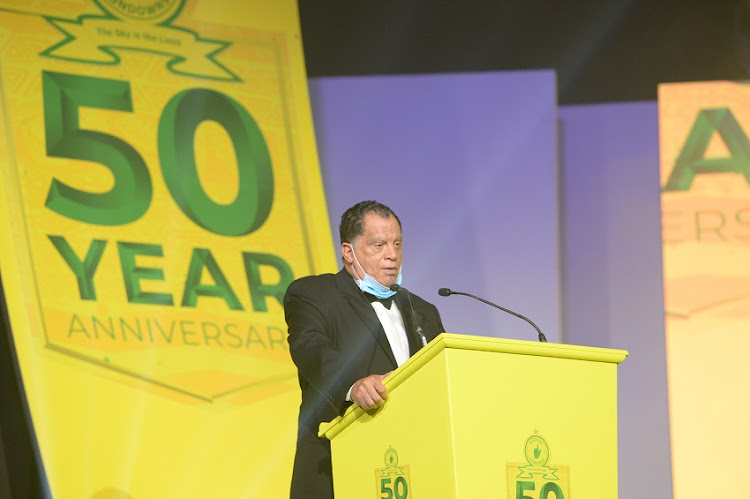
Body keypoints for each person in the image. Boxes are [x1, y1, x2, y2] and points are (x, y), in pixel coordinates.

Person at [284, 200, 445, 498]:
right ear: (348, 252)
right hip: (337, 466)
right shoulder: (314, 294)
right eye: (379, 245)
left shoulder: (423, 310)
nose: (392, 255)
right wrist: (353, 386)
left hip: (410, 472)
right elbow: (311, 350)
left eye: (397, 243)